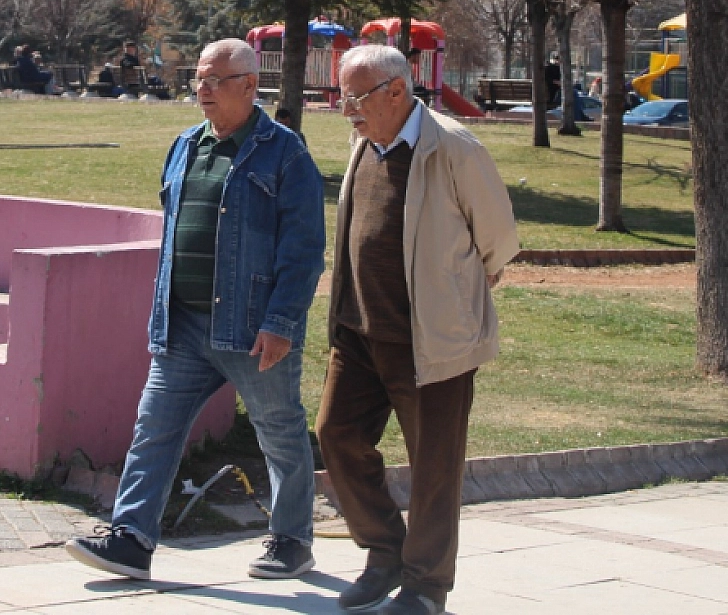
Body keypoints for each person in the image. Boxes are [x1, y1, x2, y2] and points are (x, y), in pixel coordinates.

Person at [68, 38, 326, 583]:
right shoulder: (185, 144)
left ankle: (291, 540)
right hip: (183, 326)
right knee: (153, 428)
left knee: (279, 431)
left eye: (215, 80)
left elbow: (303, 250)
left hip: (252, 329)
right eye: (198, 79)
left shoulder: (285, 153)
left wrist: (281, 323)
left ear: (250, 85)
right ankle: (132, 538)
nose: (202, 90)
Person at [318, 44, 519, 615]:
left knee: (433, 468)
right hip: (358, 333)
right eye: (342, 96)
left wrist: (455, 285)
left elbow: (498, 239)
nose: (345, 109)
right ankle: (384, 553)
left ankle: (425, 588)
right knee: (337, 434)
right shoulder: (365, 144)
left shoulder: (452, 147)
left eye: (354, 97)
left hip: (431, 340)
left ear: (397, 92)